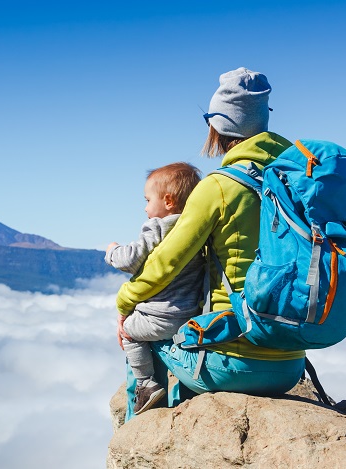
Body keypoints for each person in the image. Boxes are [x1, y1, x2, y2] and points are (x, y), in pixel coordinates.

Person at [115, 67, 306, 407]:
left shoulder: (217, 187)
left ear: (218, 124)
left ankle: (138, 431)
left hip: (234, 362)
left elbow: (165, 263)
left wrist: (124, 304)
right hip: (291, 363)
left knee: (136, 329)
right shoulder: (293, 182)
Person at [105, 162, 205, 415]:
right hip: (191, 318)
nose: (145, 207)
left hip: (161, 318)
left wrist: (112, 251)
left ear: (169, 201)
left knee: (128, 332)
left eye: (148, 200)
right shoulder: (197, 229)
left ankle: (146, 384)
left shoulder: (159, 226)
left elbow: (130, 259)